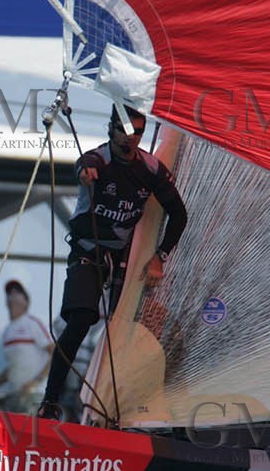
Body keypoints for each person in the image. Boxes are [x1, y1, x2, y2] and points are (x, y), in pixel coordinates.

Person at [38, 95, 187, 420]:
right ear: (110, 130)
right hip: (89, 252)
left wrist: (160, 256)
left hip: (125, 259)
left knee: (140, 325)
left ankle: (136, 408)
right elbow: (85, 164)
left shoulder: (150, 169)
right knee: (79, 320)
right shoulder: (98, 160)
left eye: (137, 132)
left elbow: (179, 214)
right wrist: (85, 175)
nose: (130, 138)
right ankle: (50, 403)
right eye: (124, 131)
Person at [0, 280, 53, 414]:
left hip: (34, 394)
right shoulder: (7, 331)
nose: (12, 295)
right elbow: (12, 368)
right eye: (9, 293)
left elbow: (54, 352)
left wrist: (36, 381)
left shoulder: (33, 323)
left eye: (18, 292)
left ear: (26, 301)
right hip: (16, 394)